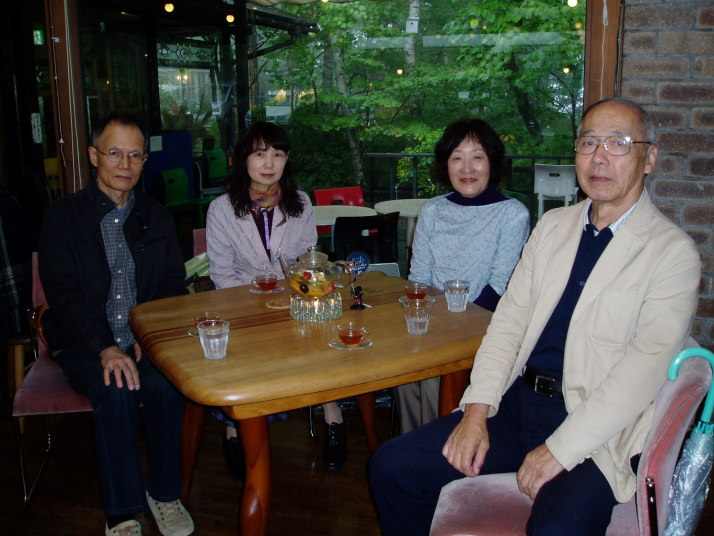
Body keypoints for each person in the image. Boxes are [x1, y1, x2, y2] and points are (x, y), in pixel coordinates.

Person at [370, 98, 701, 536]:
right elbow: (508, 324)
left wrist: (559, 450)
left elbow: (641, 373)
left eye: (618, 143)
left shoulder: (672, 253)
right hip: (518, 405)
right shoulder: (553, 226)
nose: (600, 157)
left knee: (558, 526)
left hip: (596, 429)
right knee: (392, 466)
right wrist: (476, 412)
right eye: (589, 142)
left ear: (650, 158)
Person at [38, 112, 194, 536]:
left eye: (135, 155)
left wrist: (149, 333)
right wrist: (105, 347)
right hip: (85, 340)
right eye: (114, 153)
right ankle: (122, 513)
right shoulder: (62, 218)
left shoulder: (157, 217)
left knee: (167, 385)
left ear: (144, 161)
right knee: (116, 387)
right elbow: (65, 298)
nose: (125, 164)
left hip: (142, 337)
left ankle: (164, 494)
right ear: (94, 156)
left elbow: (171, 284)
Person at [205, 121, 348, 470]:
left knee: (320, 331)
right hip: (242, 303)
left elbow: (307, 261)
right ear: (243, 159)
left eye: (278, 154)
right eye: (259, 154)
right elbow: (222, 273)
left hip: (293, 298)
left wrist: (293, 295)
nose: (269, 163)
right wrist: (253, 307)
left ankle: (331, 410)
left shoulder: (300, 202)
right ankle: (235, 425)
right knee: (242, 347)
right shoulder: (221, 209)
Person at [396, 118, 531, 434]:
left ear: (492, 162)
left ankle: (443, 445)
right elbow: (419, 276)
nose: (467, 168)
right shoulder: (432, 210)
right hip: (433, 321)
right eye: (457, 157)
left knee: (435, 369)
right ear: (446, 164)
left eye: (477, 156)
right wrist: (429, 320)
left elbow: (500, 286)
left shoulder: (512, 214)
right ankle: (412, 448)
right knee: (403, 365)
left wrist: (452, 328)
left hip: (483, 328)